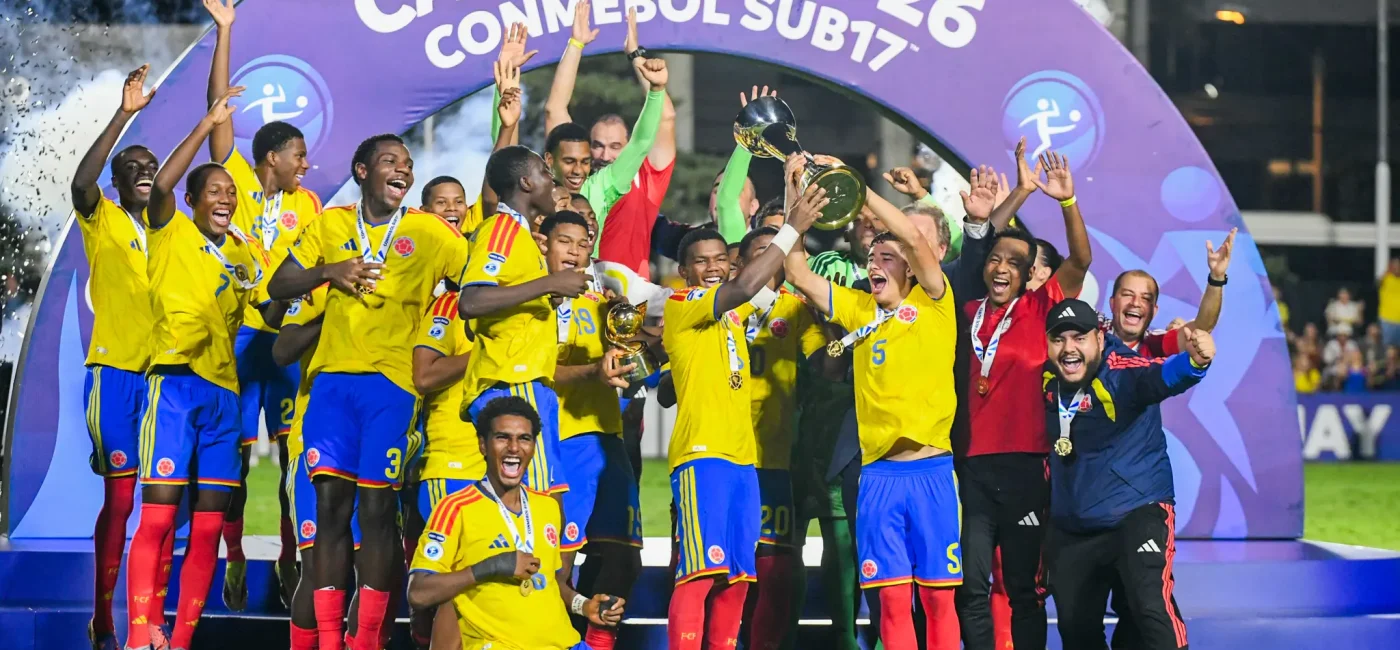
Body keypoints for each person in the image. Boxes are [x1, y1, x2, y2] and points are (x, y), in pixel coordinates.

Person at [266, 132, 470, 650]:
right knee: (330, 511)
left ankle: (364, 642)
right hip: (330, 386)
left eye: (408, 163)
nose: (403, 169)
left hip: (392, 387)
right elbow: (278, 286)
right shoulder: (330, 224)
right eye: (389, 161)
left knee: (378, 513)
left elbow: (476, 283)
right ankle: (329, 640)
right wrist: (329, 272)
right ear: (362, 171)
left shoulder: (431, 232)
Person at [126, 86, 285, 650]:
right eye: (214, 191)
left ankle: (182, 639)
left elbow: (270, 309)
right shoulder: (170, 231)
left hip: (223, 395)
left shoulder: (243, 251)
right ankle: (141, 634)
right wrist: (205, 124)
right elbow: (160, 186)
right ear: (192, 200)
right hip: (173, 386)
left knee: (211, 526)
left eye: (231, 192)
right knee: (159, 518)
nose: (226, 198)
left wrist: (307, 280)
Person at [784, 172, 961, 649]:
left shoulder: (934, 303)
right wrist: (794, 198)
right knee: (891, 602)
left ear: (910, 269)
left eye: (887, 258)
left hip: (931, 472)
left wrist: (856, 187)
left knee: (939, 600)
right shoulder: (860, 309)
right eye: (871, 258)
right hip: (878, 478)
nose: (874, 264)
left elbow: (914, 239)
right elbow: (796, 271)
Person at [663, 173, 827, 650]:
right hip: (703, 457)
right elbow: (747, 285)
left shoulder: (733, 318)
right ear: (684, 271)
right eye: (701, 261)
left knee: (737, 578)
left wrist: (794, 204)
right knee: (699, 574)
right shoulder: (684, 303)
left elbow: (766, 288)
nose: (713, 268)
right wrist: (791, 229)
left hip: (743, 461)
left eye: (721, 259)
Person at [203, 0, 324, 608]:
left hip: (287, 340)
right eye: (298, 155)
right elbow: (218, 113)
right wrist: (225, 31)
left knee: (289, 456)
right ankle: (234, 558)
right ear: (272, 156)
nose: (306, 163)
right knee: (238, 459)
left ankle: (288, 561)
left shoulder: (310, 205)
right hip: (241, 335)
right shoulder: (240, 184)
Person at [956, 149, 1092, 650]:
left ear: (1028, 272)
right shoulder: (964, 309)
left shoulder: (1040, 307)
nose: (1002, 268)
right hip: (972, 466)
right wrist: (1011, 198)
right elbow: (974, 245)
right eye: (996, 259)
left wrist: (1067, 201)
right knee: (971, 587)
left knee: (1024, 590)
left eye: (1015, 263)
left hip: (1026, 467)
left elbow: (1080, 260)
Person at [1040, 298, 1211, 650]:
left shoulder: (1121, 370)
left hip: (1136, 512)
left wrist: (1194, 362)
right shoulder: (1045, 378)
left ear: (1099, 338)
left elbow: (1159, 377)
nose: (1069, 349)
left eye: (1079, 338)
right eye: (1059, 339)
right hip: (1074, 523)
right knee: (1075, 630)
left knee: (1150, 607)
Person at [406, 396, 625, 649]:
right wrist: (492, 566)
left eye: (524, 438)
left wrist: (584, 605)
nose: (514, 448)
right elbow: (418, 593)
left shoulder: (547, 507)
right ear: (483, 445)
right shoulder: (456, 508)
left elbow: (549, 583)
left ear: (533, 447)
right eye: (502, 437)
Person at [71, 63, 162, 650]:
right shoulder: (102, 218)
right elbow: (82, 182)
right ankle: (104, 618)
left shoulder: (174, 232)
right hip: (115, 376)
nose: (145, 173)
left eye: (151, 166)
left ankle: (148, 619)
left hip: (165, 381)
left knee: (161, 506)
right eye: (133, 168)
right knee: (122, 498)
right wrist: (124, 115)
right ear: (118, 181)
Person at [457, 145, 587, 501]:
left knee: (538, 499)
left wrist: (550, 295)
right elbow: (470, 301)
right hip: (513, 381)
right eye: (545, 174)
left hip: (528, 380)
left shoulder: (524, 237)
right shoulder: (501, 230)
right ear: (526, 183)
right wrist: (549, 284)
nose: (553, 182)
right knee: (540, 498)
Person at [732, 226, 831, 650]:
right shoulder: (719, 303)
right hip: (721, 458)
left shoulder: (795, 309)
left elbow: (827, 364)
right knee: (716, 569)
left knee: (773, 570)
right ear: (740, 264)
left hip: (773, 459)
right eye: (763, 251)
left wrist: (834, 326)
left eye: (780, 251)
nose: (773, 259)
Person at [544, 212, 639, 650]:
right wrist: (592, 373)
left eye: (583, 243)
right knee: (558, 563)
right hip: (560, 442)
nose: (575, 251)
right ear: (544, 244)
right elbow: (539, 369)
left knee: (623, 556)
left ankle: (596, 644)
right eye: (565, 241)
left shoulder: (601, 299)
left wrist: (628, 332)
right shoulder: (534, 298)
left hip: (608, 438)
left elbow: (629, 360)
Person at [546, 4, 679, 275]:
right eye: (597, 146)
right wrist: (576, 45)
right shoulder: (573, 183)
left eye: (616, 147)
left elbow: (662, 120)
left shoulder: (636, 178)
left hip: (630, 294)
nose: (605, 156)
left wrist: (637, 57)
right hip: (573, 288)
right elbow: (554, 111)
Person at [411, 286, 479, 650]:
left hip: (508, 466)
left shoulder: (527, 306)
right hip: (454, 465)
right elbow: (424, 375)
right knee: (451, 588)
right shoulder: (450, 306)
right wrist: (485, 352)